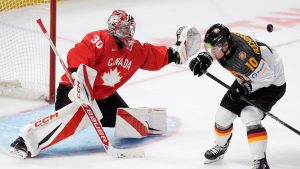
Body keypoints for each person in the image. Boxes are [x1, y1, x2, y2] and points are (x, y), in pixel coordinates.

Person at [9, 10, 195, 159]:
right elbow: (79, 55)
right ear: (113, 29)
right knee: (74, 118)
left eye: (130, 28)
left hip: (102, 97)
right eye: (123, 29)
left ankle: (147, 121)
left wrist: (174, 54)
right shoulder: (99, 39)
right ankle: (26, 141)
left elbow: (152, 55)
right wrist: (77, 77)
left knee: (123, 120)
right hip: (73, 90)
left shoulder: (135, 50)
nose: (127, 33)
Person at [189, 23, 286, 169]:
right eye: (210, 49)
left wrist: (245, 88)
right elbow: (216, 47)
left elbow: (267, 77)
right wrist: (205, 57)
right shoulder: (227, 44)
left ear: (226, 45)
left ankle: (261, 162)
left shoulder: (245, 56)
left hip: (272, 85)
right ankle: (221, 147)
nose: (212, 52)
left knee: (249, 115)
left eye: (213, 50)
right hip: (249, 77)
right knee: (222, 116)